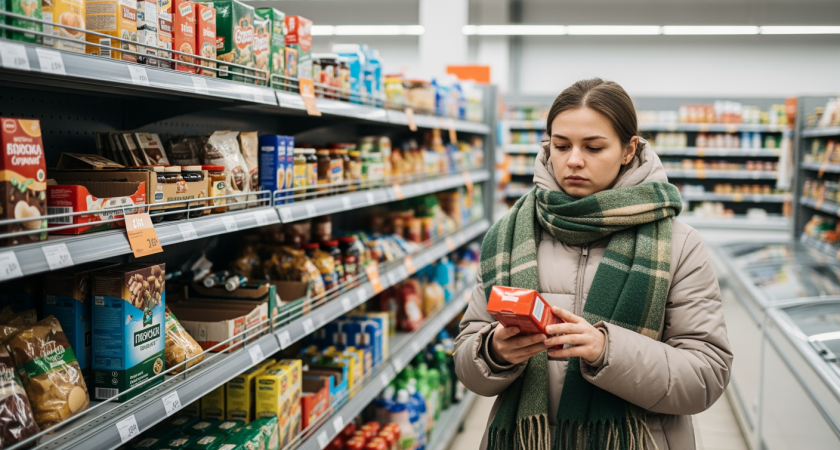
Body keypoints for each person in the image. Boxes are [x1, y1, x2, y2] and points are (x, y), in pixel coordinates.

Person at [454, 78, 732, 450]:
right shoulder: (508, 236)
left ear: (628, 149)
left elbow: (705, 376)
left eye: (594, 147)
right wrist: (493, 353)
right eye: (561, 145)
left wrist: (606, 350)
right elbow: (467, 361)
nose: (573, 160)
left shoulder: (679, 245)